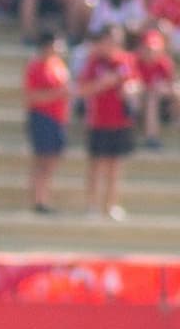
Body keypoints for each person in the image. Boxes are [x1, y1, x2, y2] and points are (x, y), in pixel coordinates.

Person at [78, 26, 140, 220]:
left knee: (115, 166)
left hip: (121, 120)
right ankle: (91, 205)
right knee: (96, 165)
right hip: (99, 120)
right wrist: (102, 83)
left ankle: (111, 204)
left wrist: (131, 89)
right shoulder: (94, 62)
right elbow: (82, 89)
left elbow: (136, 82)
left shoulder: (127, 60)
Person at [24, 31, 71, 214]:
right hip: (42, 117)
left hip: (58, 118)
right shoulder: (35, 66)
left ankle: (45, 197)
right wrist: (57, 94)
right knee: (41, 161)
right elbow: (31, 96)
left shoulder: (58, 65)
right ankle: (38, 199)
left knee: (51, 161)